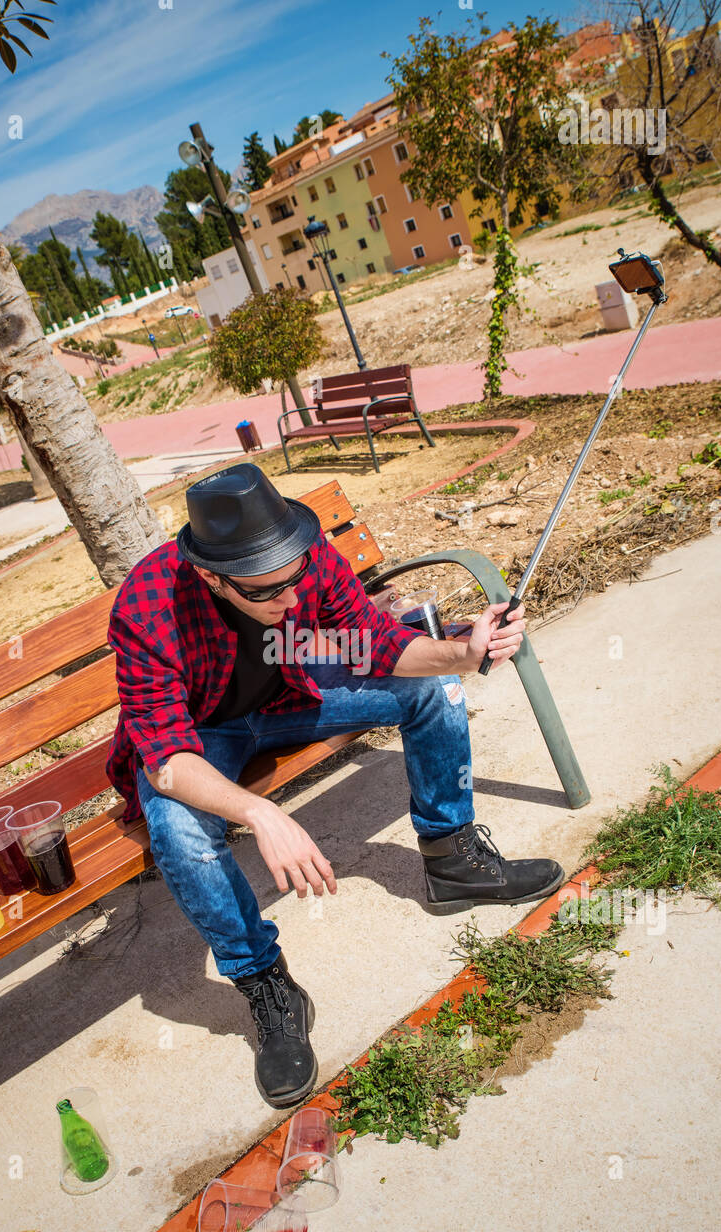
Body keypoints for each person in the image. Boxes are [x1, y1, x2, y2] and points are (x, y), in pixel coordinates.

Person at [106, 462, 564, 1109]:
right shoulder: (148, 603)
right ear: (212, 576)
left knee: (436, 688)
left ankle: (452, 859)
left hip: (291, 691)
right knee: (177, 829)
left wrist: (465, 651)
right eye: (266, 592)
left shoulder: (300, 552)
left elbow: (377, 643)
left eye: (295, 577)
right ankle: (267, 985)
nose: (290, 598)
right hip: (203, 734)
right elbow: (166, 764)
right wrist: (262, 814)